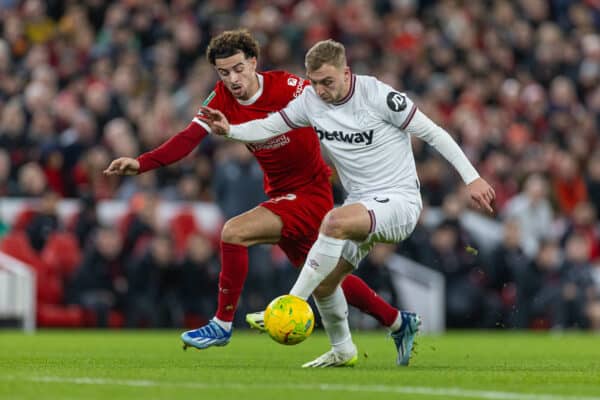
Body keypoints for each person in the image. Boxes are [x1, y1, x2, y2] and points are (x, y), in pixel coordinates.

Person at [104, 30, 412, 366]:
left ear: (253, 62)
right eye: (224, 72)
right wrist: (141, 163)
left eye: (238, 68)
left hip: (310, 193)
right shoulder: (220, 98)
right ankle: (398, 322)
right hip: (280, 192)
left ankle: (222, 325)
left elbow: (337, 101)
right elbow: (188, 138)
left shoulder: (290, 87)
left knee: (233, 232)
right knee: (326, 279)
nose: (232, 79)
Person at [200, 39, 496, 367]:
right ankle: (357, 344)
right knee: (326, 283)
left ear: (346, 72)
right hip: (360, 203)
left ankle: (289, 304)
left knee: (333, 223)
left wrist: (472, 178)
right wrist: (230, 130)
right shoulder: (310, 101)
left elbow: (434, 133)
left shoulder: (377, 95)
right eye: (314, 82)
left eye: (328, 82)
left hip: (399, 202)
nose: (321, 90)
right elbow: (269, 127)